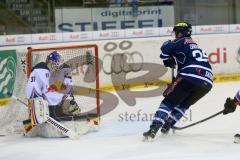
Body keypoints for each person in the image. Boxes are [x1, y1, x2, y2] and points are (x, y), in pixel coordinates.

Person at [143, 22, 213, 140]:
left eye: (176, 32)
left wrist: (167, 59)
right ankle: (168, 125)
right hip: (208, 81)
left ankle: (154, 128)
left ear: (180, 32)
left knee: (169, 102)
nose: (175, 35)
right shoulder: (195, 45)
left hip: (190, 74)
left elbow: (165, 49)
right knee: (184, 104)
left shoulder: (181, 41)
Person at [26, 51, 81, 125]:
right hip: (45, 106)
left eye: (58, 65)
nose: (56, 67)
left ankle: (64, 117)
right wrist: (36, 103)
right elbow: (32, 89)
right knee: (38, 104)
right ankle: (39, 116)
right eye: (54, 64)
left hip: (59, 106)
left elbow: (68, 90)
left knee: (70, 105)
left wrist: (70, 100)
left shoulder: (66, 71)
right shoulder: (39, 70)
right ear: (49, 61)